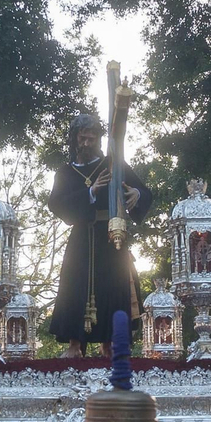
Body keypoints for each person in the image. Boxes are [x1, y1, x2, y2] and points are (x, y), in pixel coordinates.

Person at [46, 114, 154, 356]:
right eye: (82, 138)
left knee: (114, 287)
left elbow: (144, 191)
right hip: (82, 237)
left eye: (91, 138)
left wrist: (136, 193)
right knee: (76, 286)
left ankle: (111, 345)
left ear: (98, 139)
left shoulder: (114, 165)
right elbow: (56, 203)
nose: (86, 143)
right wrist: (90, 193)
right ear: (74, 139)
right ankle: (75, 345)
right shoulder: (66, 171)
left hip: (112, 235)